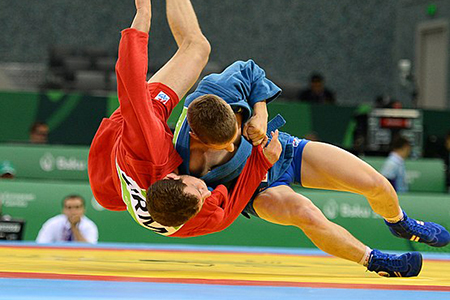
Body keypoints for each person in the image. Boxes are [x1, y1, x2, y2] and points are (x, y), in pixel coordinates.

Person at [166, 61, 450, 278]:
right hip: (256, 189)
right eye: (225, 145)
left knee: (375, 183)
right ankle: (376, 261)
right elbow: (214, 211)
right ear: (198, 138)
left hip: (286, 150)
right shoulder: (178, 162)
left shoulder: (216, 90)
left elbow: (251, 71)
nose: (233, 147)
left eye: (235, 136)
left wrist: (260, 114)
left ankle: (399, 222)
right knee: (306, 214)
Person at [88, 0, 281, 236]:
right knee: (109, 200)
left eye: (199, 189)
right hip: (109, 190)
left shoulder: (150, 149)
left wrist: (142, 17)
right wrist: (263, 162)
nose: (207, 192)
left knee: (197, 48)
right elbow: (231, 209)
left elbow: (130, 84)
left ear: (172, 176)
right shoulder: (202, 214)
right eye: (202, 196)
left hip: (119, 147)